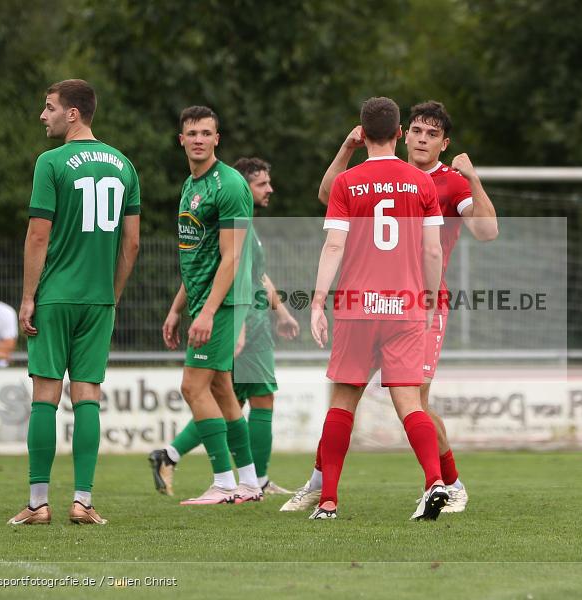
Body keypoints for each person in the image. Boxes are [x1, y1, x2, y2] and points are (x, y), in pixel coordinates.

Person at [283, 101, 498, 514]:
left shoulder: (451, 183)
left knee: (407, 396)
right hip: (402, 303)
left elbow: (487, 231)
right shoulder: (400, 178)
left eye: (432, 134)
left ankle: (449, 483)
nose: (421, 138)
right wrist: (347, 148)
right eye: (416, 130)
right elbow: (329, 193)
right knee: (358, 395)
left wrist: (473, 178)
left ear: (445, 143)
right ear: (403, 133)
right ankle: (321, 481)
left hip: (414, 303)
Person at [305, 96, 446, 520]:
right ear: (401, 133)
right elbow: (433, 251)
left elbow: (334, 244)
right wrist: (428, 303)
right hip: (404, 306)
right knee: (410, 403)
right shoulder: (421, 183)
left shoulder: (348, 183)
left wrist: (316, 302)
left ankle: (328, 500)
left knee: (343, 402)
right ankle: (434, 481)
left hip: (355, 307)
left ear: (362, 133)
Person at [8, 79, 141, 526]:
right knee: (88, 397)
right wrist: (112, 296)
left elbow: (38, 234)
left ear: (72, 114)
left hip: (56, 297)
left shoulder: (51, 162)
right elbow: (133, 244)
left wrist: (28, 296)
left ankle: (38, 503)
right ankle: (83, 501)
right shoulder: (125, 165)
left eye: (48, 108)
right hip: (98, 300)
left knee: (45, 396)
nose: (42, 115)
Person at [149, 157, 299, 496]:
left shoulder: (247, 230)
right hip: (243, 323)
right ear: (242, 187)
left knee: (225, 395)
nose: (269, 189)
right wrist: (240, 325)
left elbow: (255, 276)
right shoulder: (231, 222)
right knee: (244, 397)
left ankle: (182, 458)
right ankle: (246, 480)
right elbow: (220, 271)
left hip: (247, 320)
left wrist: (282, 312)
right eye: (262, 183)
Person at [161, 106, 262, 506]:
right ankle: (250, 483)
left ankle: (222, 483)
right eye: (192, 133)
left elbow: (232, 257)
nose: (199, 139)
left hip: (222, 303)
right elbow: (196, 256)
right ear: (181, 139)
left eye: (206, 132)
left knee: (192, 386)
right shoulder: (190, 184)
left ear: (217, 139)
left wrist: (205, 312)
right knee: (221, 389)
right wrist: (176, 308)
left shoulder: (231, 185)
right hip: (204, 300)